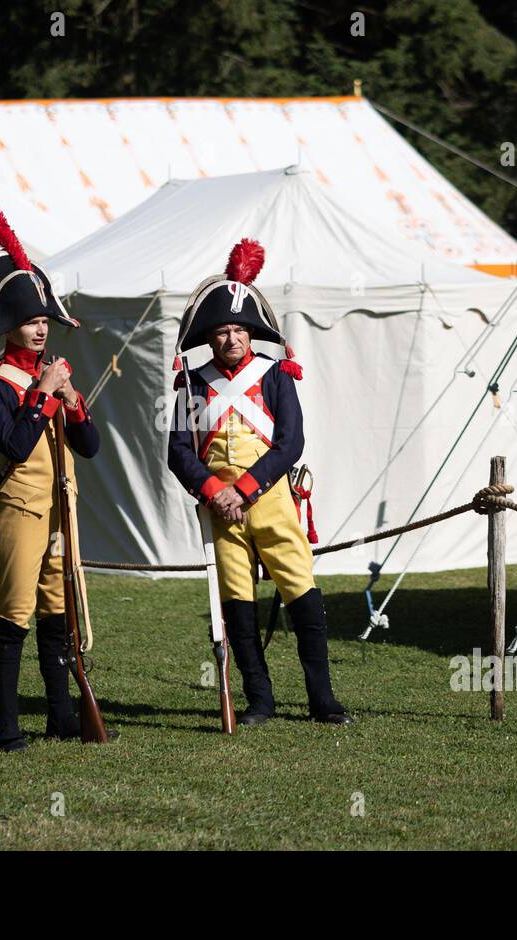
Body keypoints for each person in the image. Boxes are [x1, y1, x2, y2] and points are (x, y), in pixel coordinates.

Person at [166, 238, 352, 726]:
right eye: (223, 332)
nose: (232, 339)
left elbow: (291, 443)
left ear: (251, 334)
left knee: (303, 595)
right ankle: (260, 700)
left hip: (269, 502)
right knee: (238, 606)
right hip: (220, 511)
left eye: (239, 331)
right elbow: (178, 451)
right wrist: (214, 492)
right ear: (210, 338)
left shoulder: (275, 376)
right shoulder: (191, 383)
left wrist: (242, 490)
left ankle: (322, 700)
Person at [0, 207, 100, 752]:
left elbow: (89, 447)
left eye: (46, 320)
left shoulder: (54, 377)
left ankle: (62, 716)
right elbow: (14, 445)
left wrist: (72, 402)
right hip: (19, 508)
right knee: (14, 614)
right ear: (10, 324)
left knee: (57, 613)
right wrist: (43, 394)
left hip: (61, 510)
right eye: (32, 319)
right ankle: (6, 727)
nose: (42, 328)